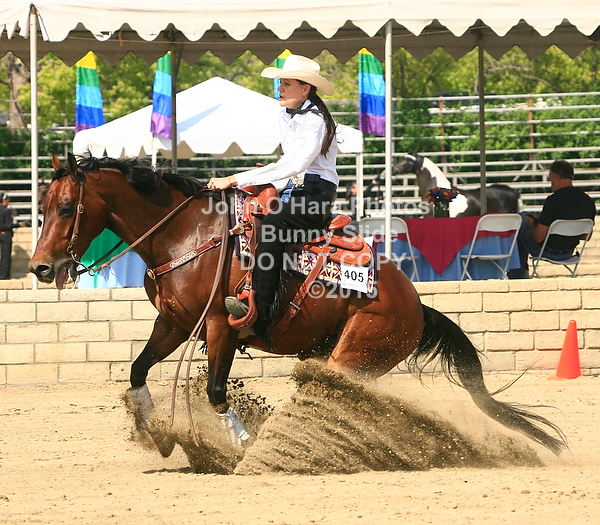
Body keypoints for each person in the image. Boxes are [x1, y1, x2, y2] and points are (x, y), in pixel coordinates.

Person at [207, 55, 338, 343]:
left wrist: (234, 179)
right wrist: (255, 185)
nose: (279, 88)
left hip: (315, 194)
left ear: (305, 88)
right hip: (293, 189)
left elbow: (293, 164)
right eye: (280, 83)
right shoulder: (286, 115)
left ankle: (261, 314)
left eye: (286, 83)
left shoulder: (314, 121)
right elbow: (286, 167)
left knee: (273, 227)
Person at [509, 159, 596, 278]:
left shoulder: (553, 201)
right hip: (569, 253)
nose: (551, 184)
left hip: (547, 252)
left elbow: (538, 237)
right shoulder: (588, 201)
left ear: (554, 176)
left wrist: (533, 225)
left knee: (522, 219)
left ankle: (517, 276)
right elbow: (586, 236)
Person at [0, 193, 22, 280]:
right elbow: (8, 225)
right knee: (5, 256)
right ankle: (4, 275)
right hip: (5, 234)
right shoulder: (6, 211)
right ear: (4, 200)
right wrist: (18, 225)